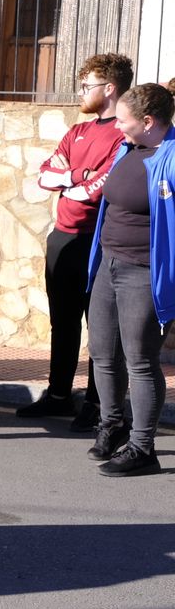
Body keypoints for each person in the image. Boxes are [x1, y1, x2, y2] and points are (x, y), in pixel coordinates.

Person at [19, 53, 133, 430]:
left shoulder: (124, 133)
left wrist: (73, 180)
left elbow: (95, 193)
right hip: (62, 237)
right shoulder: (77, 131)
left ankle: (98, 405)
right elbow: (45, 176)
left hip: (96, 242)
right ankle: (58, 394)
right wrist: (77, 175)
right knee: (62, 322)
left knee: (101, 329)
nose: (82, 92)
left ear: (110, 88)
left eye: (88, 86)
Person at [83, 83, 175, 477]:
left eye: (122, 121)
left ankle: (142, 448)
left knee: (140, 360)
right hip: (110, 264)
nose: (117, 127)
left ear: (148, 121)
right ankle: (112, 426)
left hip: (143, 273)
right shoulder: (129, 149)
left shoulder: (170, 158)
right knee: (102, 353)